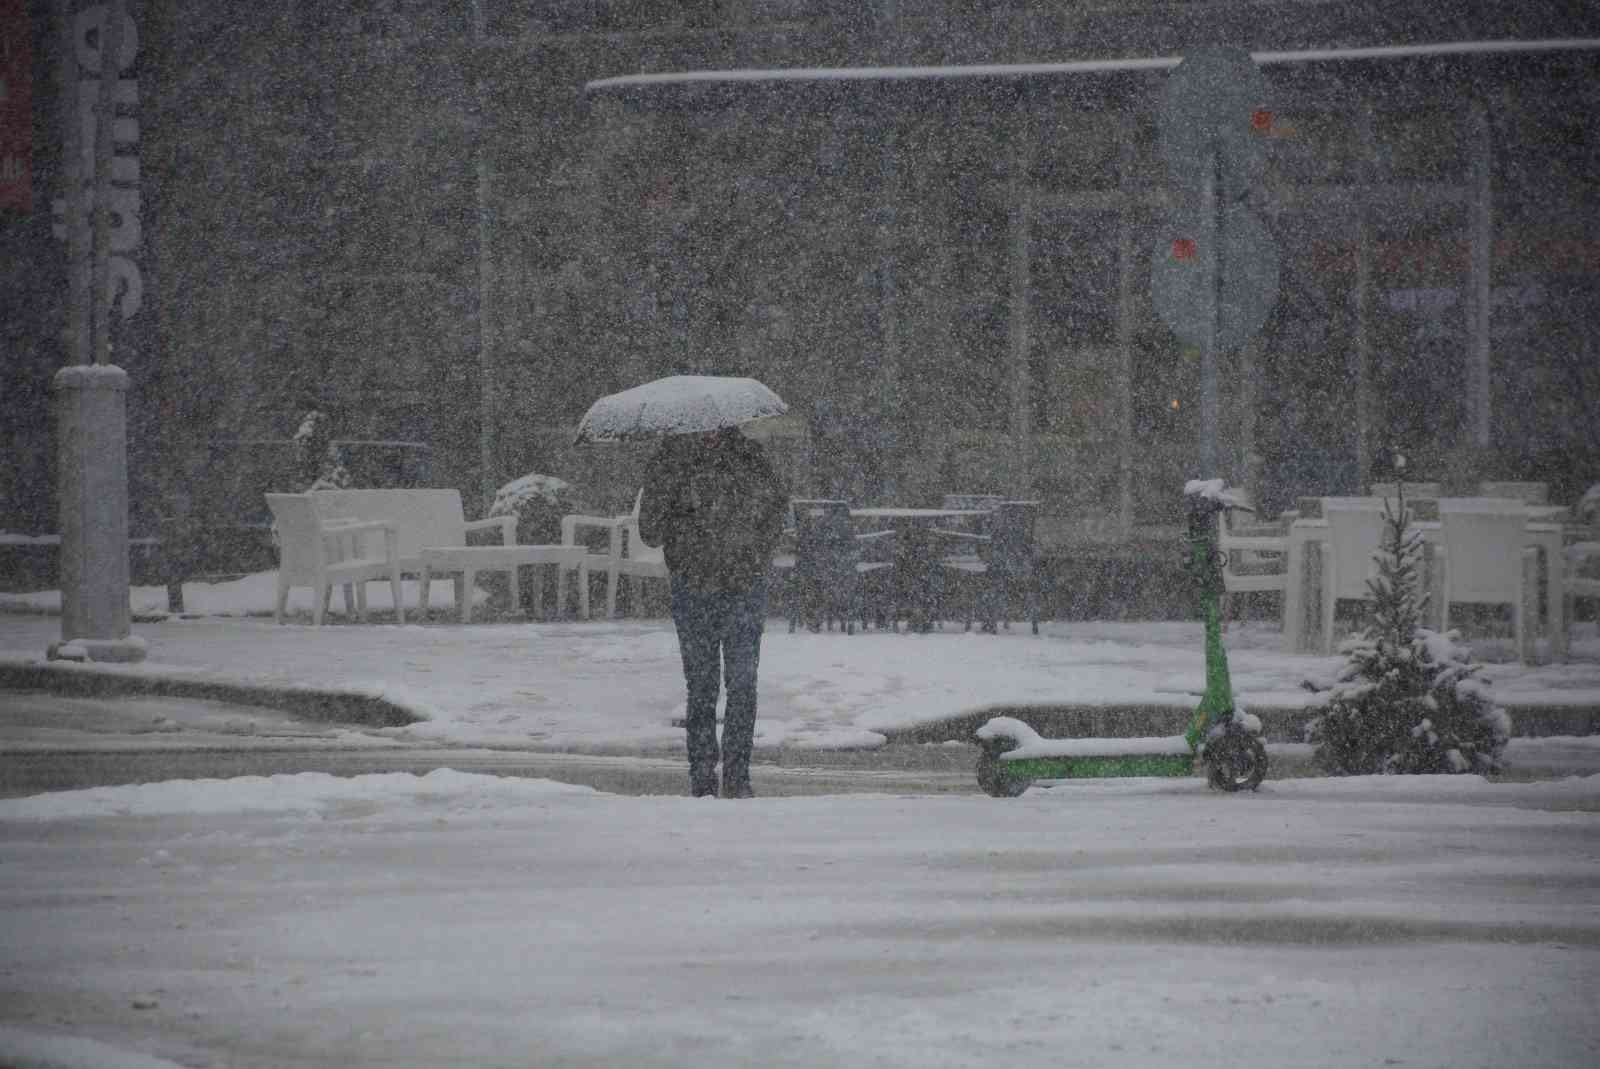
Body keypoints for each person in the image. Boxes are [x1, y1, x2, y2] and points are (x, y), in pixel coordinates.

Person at [638, 426, 789, 798]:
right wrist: (674, 496)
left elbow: (776, 515)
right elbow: (650, 531)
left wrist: (752, 552)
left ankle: (737, 777)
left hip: (742, 585)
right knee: (702, 687)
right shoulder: (669, 462)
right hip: (694, 588)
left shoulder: (750, 459)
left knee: (743, 684)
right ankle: (703, 778)